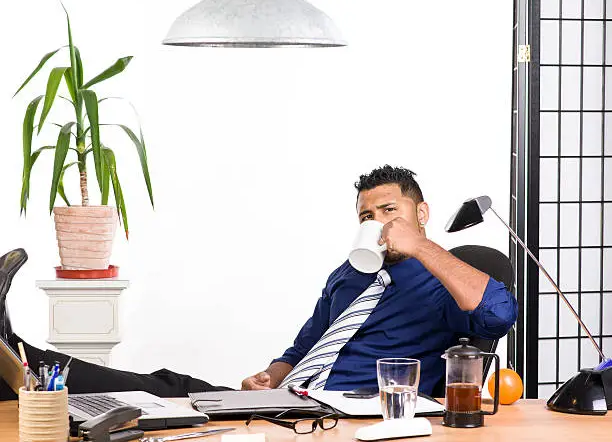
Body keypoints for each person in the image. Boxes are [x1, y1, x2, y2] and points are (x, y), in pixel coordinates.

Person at [1, 165, 517, 400]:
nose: (377, 222)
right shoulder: (351, 273)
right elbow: (305, 344)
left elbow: (498, 314)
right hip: (287, 405)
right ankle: (16, 359)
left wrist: (420, 246)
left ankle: (15, 360)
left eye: (390, 211)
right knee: (167, 392)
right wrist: (272, 376)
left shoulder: (442, 281)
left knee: (160, 394)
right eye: (367, 214)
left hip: (346, 415)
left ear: (419, 212)